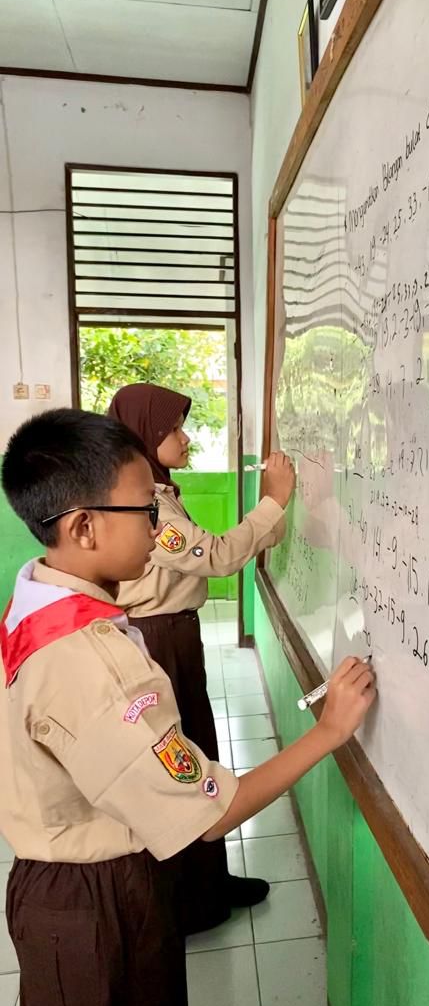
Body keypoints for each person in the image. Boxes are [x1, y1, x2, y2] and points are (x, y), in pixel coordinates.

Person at [0, 408, 375, 1006]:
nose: (157, 528)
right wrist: (330, 731)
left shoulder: (36, 599)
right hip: (96, 901)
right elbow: (212, 814)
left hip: (61, 884)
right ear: (83, 527)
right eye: (145, 511)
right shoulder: (94, 665)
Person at [107, 383, 294, 932]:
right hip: (158, 641)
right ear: (146, 434)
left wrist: (272, 518)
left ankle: (209, 882)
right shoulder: (146, 503)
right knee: (179, 767)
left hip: (174, 636)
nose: (185, 439)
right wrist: (273, 502)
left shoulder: (159, 491)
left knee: (199, 753)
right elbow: (212, 556)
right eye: (173, 429)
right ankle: (188, 901)